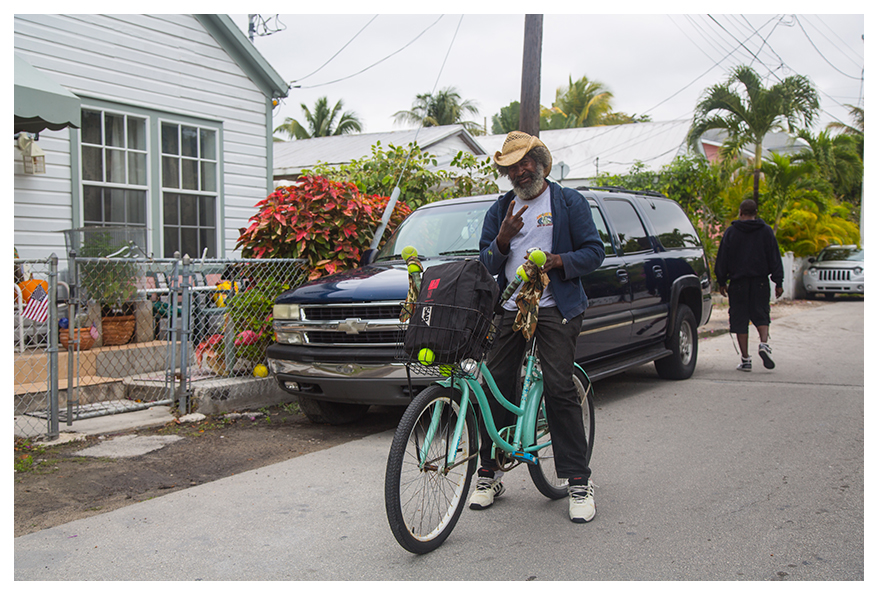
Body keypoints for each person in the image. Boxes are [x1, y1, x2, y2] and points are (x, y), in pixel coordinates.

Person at [475, 131, 605, 523]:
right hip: (511, 306)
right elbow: (485, 263)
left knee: (559, 386)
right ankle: (490, 472)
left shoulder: (567, 202)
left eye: (524, 162)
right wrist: (501, 241)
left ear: (539, 161)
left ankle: (578, 481)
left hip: (555, 306)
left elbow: (594, 252)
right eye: (511, 167)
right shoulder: (501, 210)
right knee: (493, 384)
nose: (518, 171)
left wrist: (557, 261)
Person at [714, 198, 784, 371]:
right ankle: (763, 344)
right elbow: (774, 257)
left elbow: (722, 258)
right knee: (761, 314)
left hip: (738, 283)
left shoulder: (731, 232)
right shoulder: (766, 231)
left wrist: (721, 281)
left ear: (740, 212)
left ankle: (745, 359)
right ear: (755, 214)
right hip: (760, 281)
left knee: (740, 320)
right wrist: (778, 282)